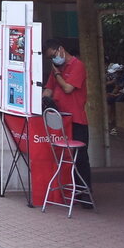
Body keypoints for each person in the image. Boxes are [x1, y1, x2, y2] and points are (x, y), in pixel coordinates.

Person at [42, 38, 93, 202]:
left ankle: (85, 193)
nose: (53, 60)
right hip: (59, 119)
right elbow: (49, 88)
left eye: (54, 55)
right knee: (64, 157)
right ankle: (70, 191)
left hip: (76, 118)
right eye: (50, 59)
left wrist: (57, 74)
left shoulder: (77, 65)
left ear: (61, 49)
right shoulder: (56, 69)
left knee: (80, 157)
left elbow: (68, 88)